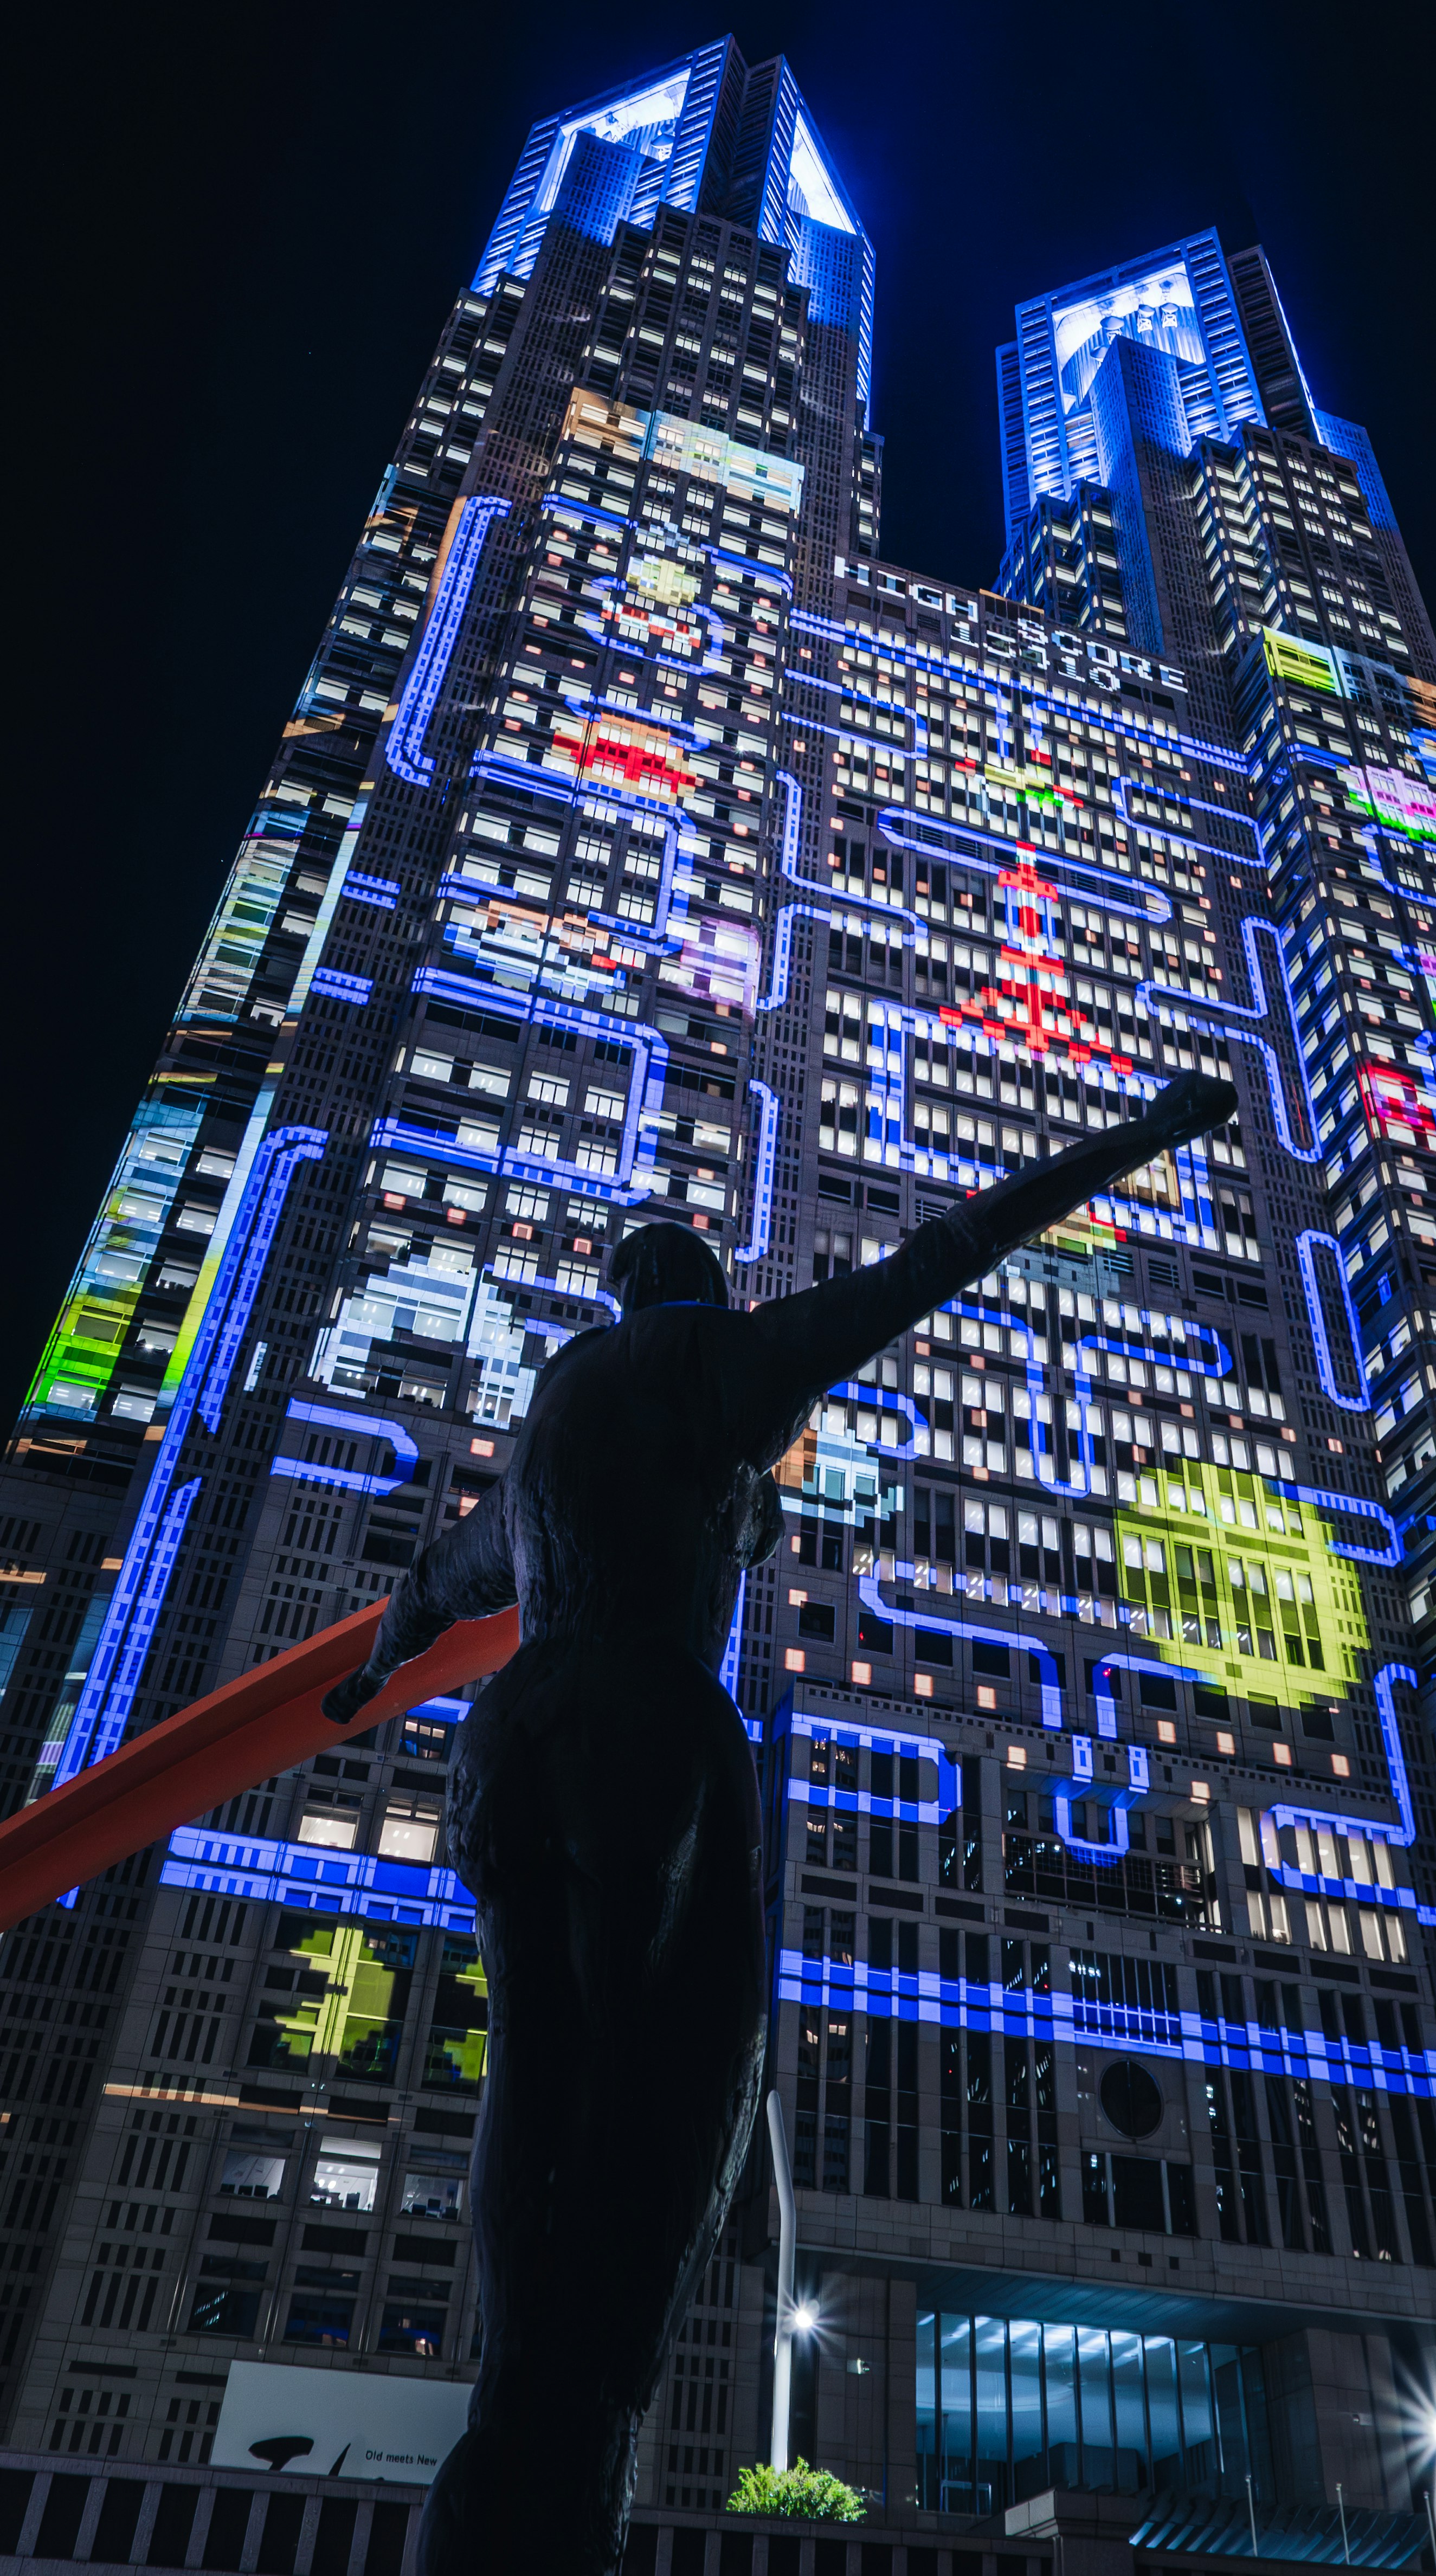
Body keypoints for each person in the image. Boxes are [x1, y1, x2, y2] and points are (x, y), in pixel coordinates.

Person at [320, 1071, 1237, 2576]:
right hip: (651, 1725)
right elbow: (933, 1261)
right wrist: (1131, 1142)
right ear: (688, 1290)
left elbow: (438, 1582)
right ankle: (573, 2391)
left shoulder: (557, 1411)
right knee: (673, 2070)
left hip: (513, 1733)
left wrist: (367, 1682)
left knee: (533, 2062)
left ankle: (514, 2374)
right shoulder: (708, 1366)